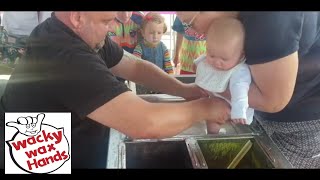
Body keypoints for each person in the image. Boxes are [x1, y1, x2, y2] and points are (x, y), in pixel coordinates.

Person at [0, 12, 230, 169]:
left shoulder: (72, 32)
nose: (112, 27)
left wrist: (184, 90)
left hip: (63, 143)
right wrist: (206, 108)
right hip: (42, 158)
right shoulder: (64, 55)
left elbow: (135, 66)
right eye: (106, 20)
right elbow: (146, 123)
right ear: (78, 17)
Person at [176, 11, 320, 168]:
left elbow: (272, 101)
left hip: (303, 125)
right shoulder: (239, 23)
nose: (191, 32)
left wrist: (211, 84)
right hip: (269, 117)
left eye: (189, 23)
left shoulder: (269, 17)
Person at [193, 17, 254, 134]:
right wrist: (197, 64)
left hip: (235, 111)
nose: (216, 62)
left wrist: (238, 111)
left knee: (236, 133)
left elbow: (240, 91)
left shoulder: (239, 70)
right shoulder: (213, 59)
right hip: (215, 106)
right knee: (211, 124)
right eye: (212, 55)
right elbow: (203, 60)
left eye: (224, 59)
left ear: (241, 55)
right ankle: (213, 137)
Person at [107, 11, 144, 83]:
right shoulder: (106, 17)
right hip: (112, 63)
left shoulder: (139, 18)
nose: (126, 15)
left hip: (134, 61)